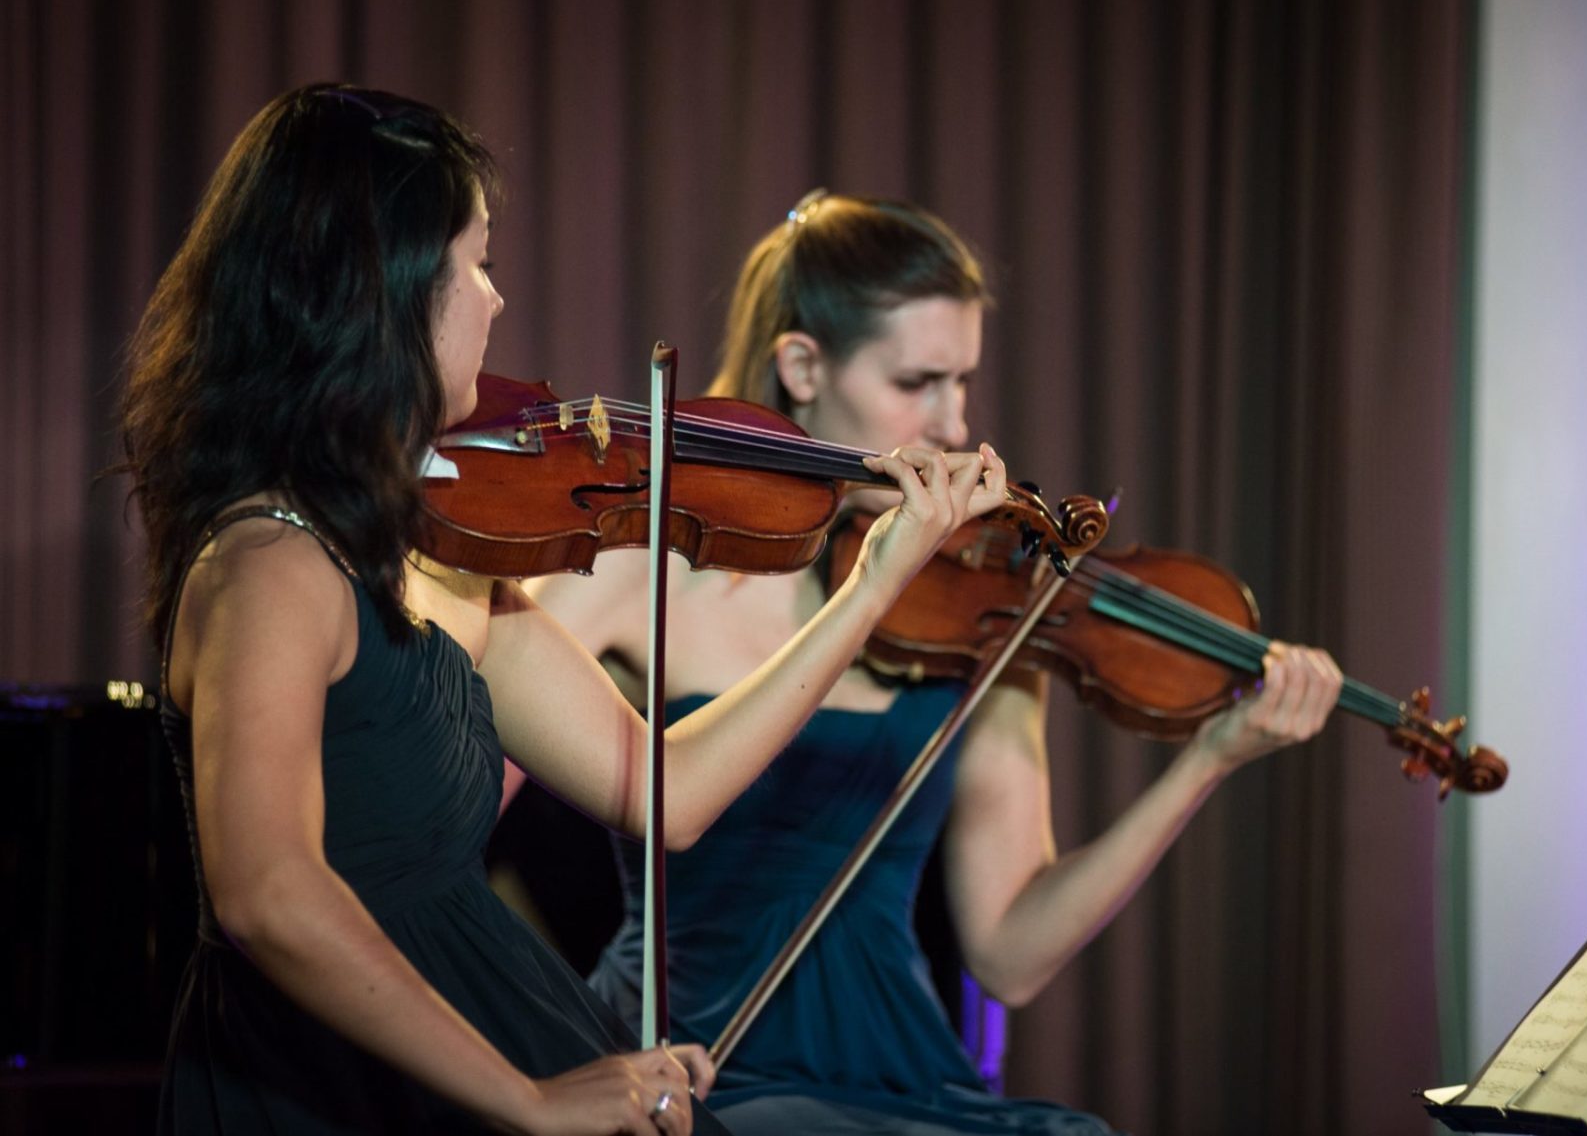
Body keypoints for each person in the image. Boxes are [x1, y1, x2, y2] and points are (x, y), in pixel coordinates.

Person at [120, 90, 1008, 1136]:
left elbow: (664, 793)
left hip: (481, 1033)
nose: (496, 302)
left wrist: (869, 590)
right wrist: (531, 1097)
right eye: (477, 263)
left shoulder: (442, 566)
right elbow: (269, 894)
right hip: (335, 1083)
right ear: (389, 290)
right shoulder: (270, 563)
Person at [525, 193, 1346, 1134]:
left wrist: (1209, 758)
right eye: (920, 381)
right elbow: (453, 797)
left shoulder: (985, 610)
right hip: (696, 1069)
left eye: (964, 382)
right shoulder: (646, 572)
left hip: (908, 1079)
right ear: (801, 366)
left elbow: (1012, 953)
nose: (956, 425)